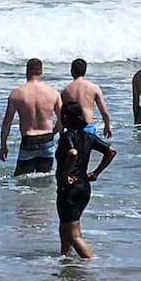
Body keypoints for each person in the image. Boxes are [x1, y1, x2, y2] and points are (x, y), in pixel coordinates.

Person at [55, 103, 116, 260]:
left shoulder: (67, 136)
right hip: (84, 187)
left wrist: (65, 175)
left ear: (65, 117)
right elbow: (110, 151)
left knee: (74, 234)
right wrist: (96, 173)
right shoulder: (88, 136)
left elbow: (72, 153)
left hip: (70, 188)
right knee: (66, 226)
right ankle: (65, 259)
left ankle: (89, 262)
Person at [0, 59, 61, 175]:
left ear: (27, 71)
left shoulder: (16, 93)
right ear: (41, 71)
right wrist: (54, 132)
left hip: (28, 140)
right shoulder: (53, 92)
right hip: (47, 139)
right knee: (45, 178)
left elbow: (7, 122)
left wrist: (3, 145)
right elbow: (63, 118)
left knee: (21, 179)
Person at [61, 59, 113, 138]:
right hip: (88, 127)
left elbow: (62, 115)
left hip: (72, 130)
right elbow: (104, 111)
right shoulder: (94, 88)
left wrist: (61, 132)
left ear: (72, 71)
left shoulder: (66, 91)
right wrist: (107, 126)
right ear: (85, 71)